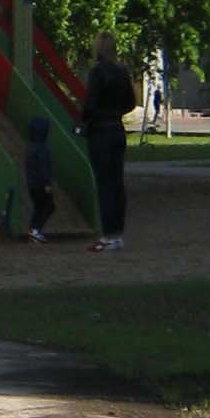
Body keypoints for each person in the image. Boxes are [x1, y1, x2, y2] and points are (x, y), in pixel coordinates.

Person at [81, 32, 137, 253]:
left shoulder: (97, 72)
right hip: (117, 128)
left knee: (104, 185)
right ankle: (118, 234)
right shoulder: (123, 72)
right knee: (117, 184)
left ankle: (107, 235)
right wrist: (116, 113)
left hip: (100, 131)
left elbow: (91, 104)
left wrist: (85, 120)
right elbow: (131, 102)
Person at [21, 114, 56, 244]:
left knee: (39, 206)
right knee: (48, 206)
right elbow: (44, 167)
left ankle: (33, 230)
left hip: (32, 183)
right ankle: (35, 230)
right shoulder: (42, 148)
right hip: (41, 183)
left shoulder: (30, 147)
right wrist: (47, 183)